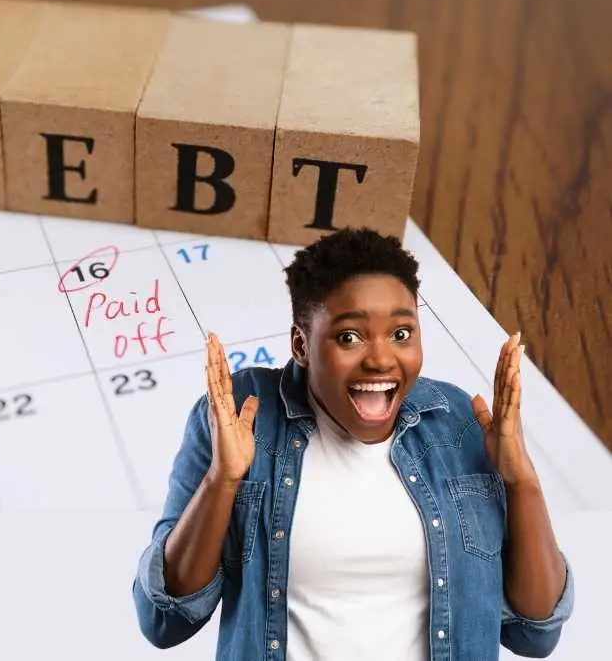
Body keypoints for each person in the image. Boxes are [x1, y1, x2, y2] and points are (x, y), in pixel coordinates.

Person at [132, 227, 573, 660]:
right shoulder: (240, 413)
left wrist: (522, 483)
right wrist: (222, 480)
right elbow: (164, 620)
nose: (381, 358)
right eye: (349, 337)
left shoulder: (458, 421)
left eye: (401, 334)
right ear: (300, 345)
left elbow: (535, 634)